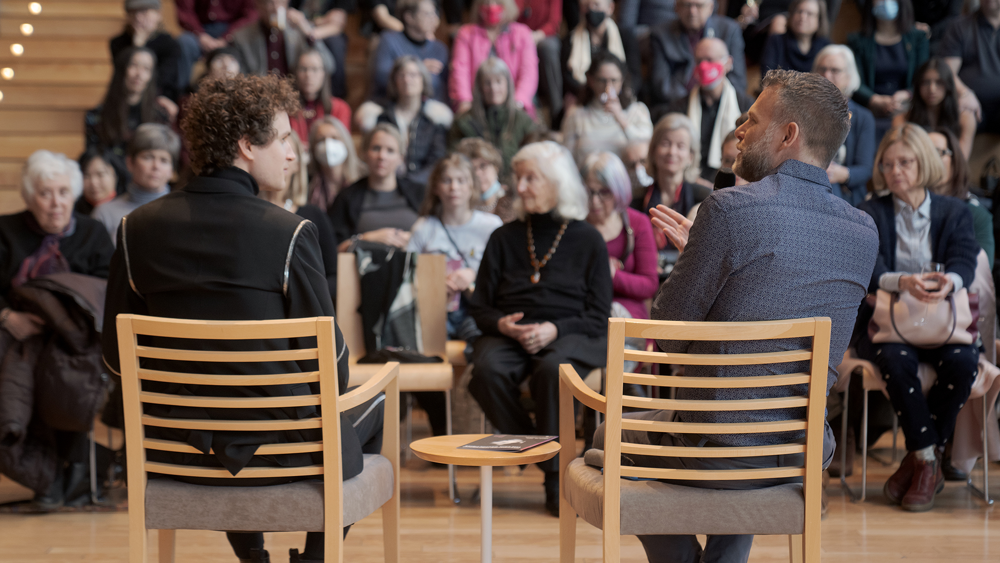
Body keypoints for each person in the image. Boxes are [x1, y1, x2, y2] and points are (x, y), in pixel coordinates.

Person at [101, 73, 382, 563]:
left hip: (172, 452)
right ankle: (315, 558)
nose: (293, 154)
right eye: (284, 140)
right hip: (281, 454)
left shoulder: (133, 229)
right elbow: (332, 370)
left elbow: (115, 359)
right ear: (246, 145)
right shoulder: (290, 233)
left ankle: (252, 556)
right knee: (375, 405)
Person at [610, 70, 878, 562]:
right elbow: (776, 295)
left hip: (715, 446)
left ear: (788, 134)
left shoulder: (729, 210)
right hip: (800, 449)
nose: (739, 131)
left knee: (610, 435)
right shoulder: (864, 231)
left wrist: (700, 256)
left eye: (752, 121)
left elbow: (667, 333)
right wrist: (711, 257)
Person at [468, 141, 612, 517]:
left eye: (531, 178)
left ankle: (554, 479)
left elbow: (598, 315)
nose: (521, 187)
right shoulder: (504, 237)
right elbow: (479, 306)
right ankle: (544, 454)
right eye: (519, 178)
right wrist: (502, 324)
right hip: (510, 334)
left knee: (553, 371)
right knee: (485, 372)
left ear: (558, 182)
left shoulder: (588, 239)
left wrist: (554, 329)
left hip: (573, 333)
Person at [855, 123, 979, 512]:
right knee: (895, 360)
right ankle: (929, 460)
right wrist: (902, 281)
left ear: (923, 163)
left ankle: (920, 458)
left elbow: (965, 261)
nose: (895, 171)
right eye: (888, 164)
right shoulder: (869, 210)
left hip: (943, 322)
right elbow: (867, 266)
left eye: (905, 162)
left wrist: (950, 282)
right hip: (890, 324)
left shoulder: (955, 211)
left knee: (964, 363)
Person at [0, 150, 114, 509]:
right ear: (30, 196)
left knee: (71, 372)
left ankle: (71, 472)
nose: (55, 204)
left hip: (73, 340)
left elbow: (105, 293)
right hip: (14, 331)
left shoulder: (93, 233)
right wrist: (7, 317)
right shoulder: (5, 230)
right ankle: (39, 468)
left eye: (64, 192)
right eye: (45, 194)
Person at [407, 154, 503, 435]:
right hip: (434, 310)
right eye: (447, 180)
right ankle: (441, 428)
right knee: (415, 357)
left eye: (461, 181)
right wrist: (434, 281)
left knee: (486, 352)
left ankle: (480, 424)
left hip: (475, 310)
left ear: (472, 186)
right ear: (436, 186)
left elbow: (505, 275)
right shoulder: (425, 228)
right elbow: (406, 275)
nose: (454, 187)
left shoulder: (490, 225)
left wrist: (474, 276)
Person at [259, 133, 339, 301]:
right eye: (279, 147)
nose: (286, 156)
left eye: (291, 152)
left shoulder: (313, 215)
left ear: (297, 165)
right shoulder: (248, 213)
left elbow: (334, 275)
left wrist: (304, 297)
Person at [582, 151, 658, 324]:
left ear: (618, 191)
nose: (595, 201)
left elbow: (649, 285)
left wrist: (614, 275)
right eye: (589, 192)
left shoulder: (638, 223)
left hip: (627, 317)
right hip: (585, 312)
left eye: (604, 192)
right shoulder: (575, 226)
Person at [666, 37, 753, 181]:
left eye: (710, 60)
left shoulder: (747, 107)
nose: (703, 66)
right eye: (699, 61)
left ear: (728, 63)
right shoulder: (678, 108)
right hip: (688, 182)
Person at [329, 123, 424, 250]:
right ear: (364, 154)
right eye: (376, 148)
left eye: (390, 150)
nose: (382, 156)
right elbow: (333, 250)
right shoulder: (346, 197)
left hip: (416, 266)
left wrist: (415, 238)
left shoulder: (420, 193)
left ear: (400, 158)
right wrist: (368, 238)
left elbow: (437, 236)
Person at [848, 0, 929, 143]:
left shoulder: (918, 37)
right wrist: (874, 99)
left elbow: (923, 77)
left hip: (908, 106)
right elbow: (854, 81)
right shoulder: (857, 41)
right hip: (870, 108)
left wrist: (908, 94)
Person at [649, 0, 746, 115]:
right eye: (687, 5)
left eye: (699, 6)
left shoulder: (728, 30)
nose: (692, 11)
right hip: (677, 107)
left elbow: (738, 82)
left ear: (711, 7)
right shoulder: (660, 34)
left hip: (720, 105)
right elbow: (662, 86)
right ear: (676, 7)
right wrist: (692, 101)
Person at [91, 124, 180, 244]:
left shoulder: (183, 214)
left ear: (172, 170)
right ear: (130, 163)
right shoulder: (105, 214)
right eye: (148, 157)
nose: (156, 166)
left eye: (164, 160)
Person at [450, 57, 539, 176]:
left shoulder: (523, 121)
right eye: (487, 83)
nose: (493, 88)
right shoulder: (463, 122)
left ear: (507, 84)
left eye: (498, 81)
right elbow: (455, 161)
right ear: (479, 87)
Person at [450, 0, 539, 117]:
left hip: (514, 102)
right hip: (477, 103)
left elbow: (529, 72)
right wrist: (465, 101)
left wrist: (519, 102)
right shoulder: (465, 34)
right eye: (486, 3)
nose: (491, 7)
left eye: (497, 2)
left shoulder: (522, 34)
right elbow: (459, 70)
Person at [561, 52, 652, 164]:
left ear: (622, 80)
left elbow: (647, 150)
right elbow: (566, 159)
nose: (608, 88)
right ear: (591, 80)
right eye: (602, 81)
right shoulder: (576, 115)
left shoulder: (637, 111)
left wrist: (621, 119)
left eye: (614, 80)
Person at [373, 57, 451, 187]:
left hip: (424, 186)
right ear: (394, 81)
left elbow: (437, 161)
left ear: (423, 80)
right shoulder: (382, 117)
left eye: (413, 75)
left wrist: (411, 183)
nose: (407, 80)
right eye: (402, 75)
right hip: (388, 184)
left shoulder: (434, 118)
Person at [813, 44, 876, 206]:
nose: (826, 75)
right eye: (822, 69)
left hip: (847, 194)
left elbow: (865, 169)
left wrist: (839, 174)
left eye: (835, 70)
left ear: (849, 76)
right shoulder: (801, 112)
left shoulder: (863, 117)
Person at [631, 113, 705, 250]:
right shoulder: (635, 198)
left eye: (680, 146)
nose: (672, 152)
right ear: (653, 151)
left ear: (690, 156)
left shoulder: (705, 199)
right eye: (665, 144)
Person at [85, 47, 173, 158]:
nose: (139, 74)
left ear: (151, 76)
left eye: (146, 68)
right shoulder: (96, 115)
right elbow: (92, 157)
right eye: (134, 65)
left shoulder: (160, 115)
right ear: (122, 70)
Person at [928, 128, 994, 269]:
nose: (931, 160)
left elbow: (983, 270)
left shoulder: (976, 213)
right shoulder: (905, 209)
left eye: (939, 152)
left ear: (955, 159)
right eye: (925, 154)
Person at [367, 0, 450, 106]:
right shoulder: (388, 40)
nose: (434, 18)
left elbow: (443, 90)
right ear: (409, 17)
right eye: (427, 14)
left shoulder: (440, 49)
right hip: (390, 106)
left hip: (428, 111)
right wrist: (420, 69)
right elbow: (381, 77)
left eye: (435, 13)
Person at [893, 59, 976, 161]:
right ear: (918, 85)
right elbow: (902, 157)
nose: (932, 89)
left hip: (951, 171)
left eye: (939, 82)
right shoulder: (903, 117)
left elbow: (961, 162)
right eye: (926, 82)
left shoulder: (965, 118)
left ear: (948, 85)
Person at [939, 0, 999, 135]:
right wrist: (964, 93)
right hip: (969, 101)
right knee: (963, 114)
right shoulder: (959, 26)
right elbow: (947, 71)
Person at [231, 0, 334, 78]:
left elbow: (329, 66)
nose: (276, 9)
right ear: (258, 6)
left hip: (296, 98)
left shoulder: (299, 30)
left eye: (280, 2)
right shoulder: (242, 37)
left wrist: (308, 32)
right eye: (270, 3)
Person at [109, 0, 182, 102]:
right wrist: (136, 47)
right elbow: (122, 77)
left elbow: (164, 80)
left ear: (158, 15)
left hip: (159, 97)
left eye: (144, 12)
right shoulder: (118, 43)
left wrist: (142, 46)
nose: (138, 17)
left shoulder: (170, 45)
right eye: (133, 12)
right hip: (125, 99)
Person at [561, 0, 628, 111]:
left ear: (610, 8)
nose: (591, 10)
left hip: (617, 95)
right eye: (586, 6)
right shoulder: (570, 40)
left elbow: (632, 74)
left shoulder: (624, 37)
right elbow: (567, 77)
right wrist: (592, 92)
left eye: (596, 5)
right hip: (582, 97)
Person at [175, 0, 257, 88]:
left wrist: (227, 37)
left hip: (233, 31)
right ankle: (182, 93)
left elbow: (250, 14)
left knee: (247, 43)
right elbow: (185, 12)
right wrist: (200, 34)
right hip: (200, 29)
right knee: (184, 42)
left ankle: (247, 91)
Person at [287, 0, 355, 99]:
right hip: (297, 29)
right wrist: (322, 20)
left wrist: (310, 32)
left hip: (323, 33)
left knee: (336, 43)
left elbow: (336, 25)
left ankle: (335, 95)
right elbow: (290, 13)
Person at [289, 47, 352, 145]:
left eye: (314, 69)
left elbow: (342, 145)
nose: (308, 74)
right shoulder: (286, 109)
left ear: (324, 73)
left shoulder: (340, 108)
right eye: (303, 69)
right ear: (295, 73)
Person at [516, 0, 564, 126]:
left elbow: (554, 23)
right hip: (520, 38)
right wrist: (524, 37)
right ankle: (527, 110)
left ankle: (557, 112)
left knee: (548, 48)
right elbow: (510, 16)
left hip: (543, 37)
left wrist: (536, 36)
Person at [307, 116, 364, 212]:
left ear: (346, 142)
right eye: (321, 139)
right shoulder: (307, 182)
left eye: (335, 138)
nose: (328, 144)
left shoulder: (363, 177)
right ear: (313, 147)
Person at [759, 0, 830, 75]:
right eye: (799, 11)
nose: (802, 16)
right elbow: (767, 76)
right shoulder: (776, 41)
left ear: (819, 20)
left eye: (809, 14)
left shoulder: (825, 47)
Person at [455, 137, 517, 222]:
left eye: (483, 166)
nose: (477, 174)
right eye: (472, 169)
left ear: (496, 168)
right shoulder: (461, 205)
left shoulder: (513, 200)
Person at [76, 148, 128, 216]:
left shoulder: (128, 210)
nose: (93, 183)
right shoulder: (73, 214)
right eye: (86, 176)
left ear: (116, 175)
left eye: (100, 174)